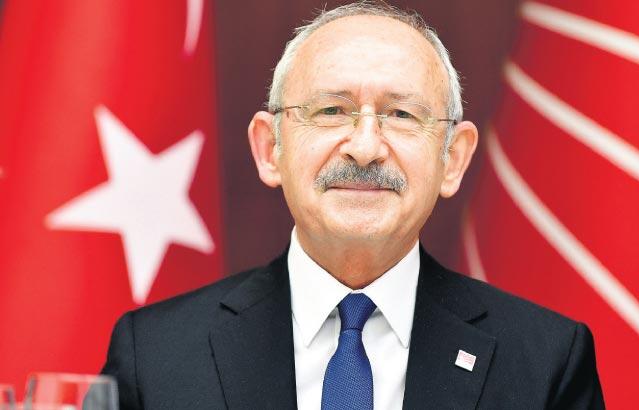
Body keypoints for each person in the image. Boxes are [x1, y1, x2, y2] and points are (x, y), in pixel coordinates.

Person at [101, 2, 605, 409]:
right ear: (269, 149)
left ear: (453, 159)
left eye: (401, 114)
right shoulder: (155, 355)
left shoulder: (545, 364)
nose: (365, 148)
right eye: (331, 110)